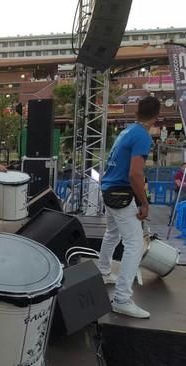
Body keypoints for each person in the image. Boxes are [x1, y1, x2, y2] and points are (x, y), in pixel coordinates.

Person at [97, 96, 160, 319]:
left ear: (137, 113)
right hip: (120, 193)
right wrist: (144, 202)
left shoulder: (127, 131)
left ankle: (104, 271)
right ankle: (122, 299)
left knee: (112, 232)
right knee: (134, 243)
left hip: (108, 189)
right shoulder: (143, 136)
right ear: (156, 117)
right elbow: (135, 174)